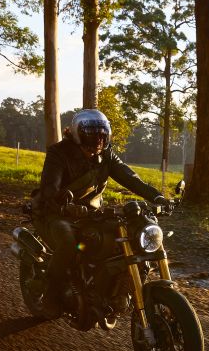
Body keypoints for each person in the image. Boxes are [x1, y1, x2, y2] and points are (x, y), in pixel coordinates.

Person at [32, 109, 171, 319]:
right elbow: (50, 187)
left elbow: (130, 178)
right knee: (69, 242)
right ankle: (50, 296)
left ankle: (108, 288)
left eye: (102, 134)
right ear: (79, 133)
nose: (98, 138)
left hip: (91, 213)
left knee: (125, 236)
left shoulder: (105, 156)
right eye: (92, 133)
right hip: (56, 212)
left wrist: (157, 197)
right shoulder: (59, 153)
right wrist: (64, 202)